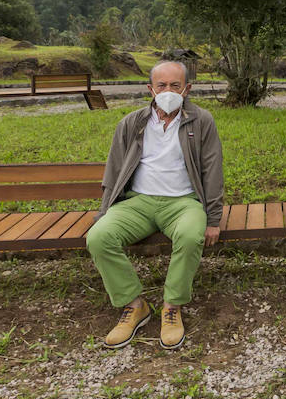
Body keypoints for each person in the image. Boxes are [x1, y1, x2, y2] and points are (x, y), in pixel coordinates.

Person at [86, 61, 223, 350]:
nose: (168, 91)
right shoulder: (132, 123)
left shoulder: (201, 121)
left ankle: (171, 306)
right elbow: (113, 170)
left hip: (183, 202)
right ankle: (134, 304)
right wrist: (103, 212)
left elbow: (212, 170)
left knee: (188, 236)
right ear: (150, 88)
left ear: (187, 88)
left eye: (176, 85)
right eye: (162, 85)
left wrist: (213, 219)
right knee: (98, 237)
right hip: (138, 202)